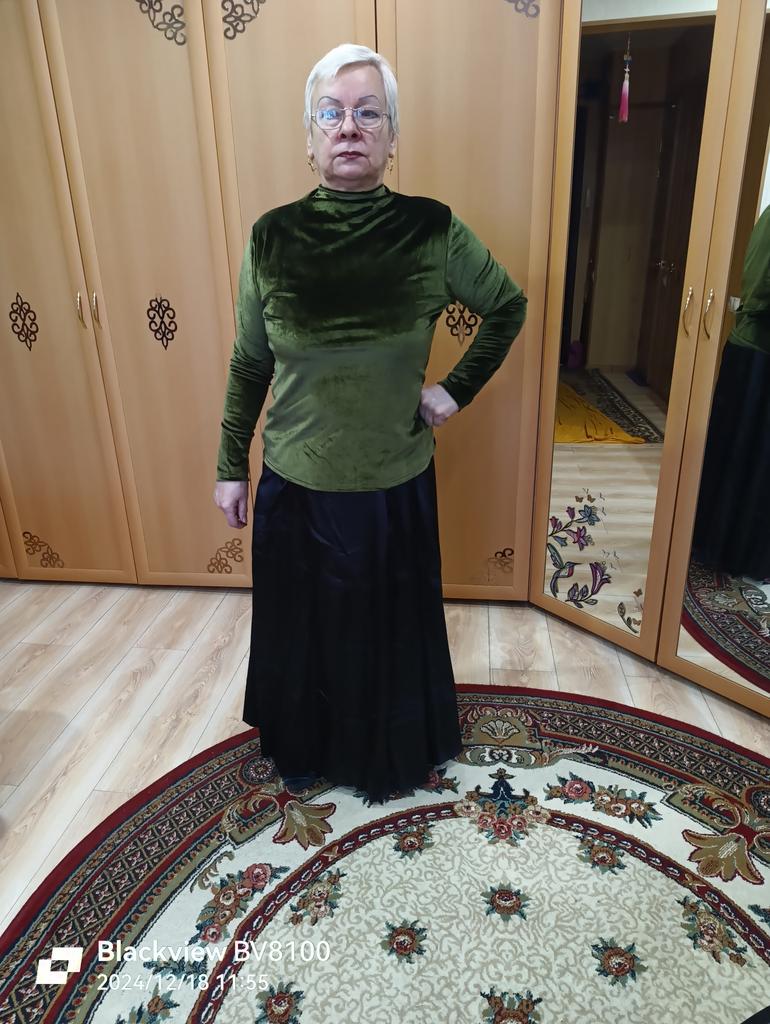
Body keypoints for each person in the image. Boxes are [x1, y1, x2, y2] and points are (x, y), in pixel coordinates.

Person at [213, 43, 527, 803]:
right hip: (296, 481)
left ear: (391, 135)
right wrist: (229, 464)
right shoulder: (271, 237)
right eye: (331, 112)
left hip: (393, 484)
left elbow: (506, 307)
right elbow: (250, 362)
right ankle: (305, 747)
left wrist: (455, 389)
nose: (348, 126)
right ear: (310, 135)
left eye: (367, 112)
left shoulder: (429, 230)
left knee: (384, 629)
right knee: (305, 629)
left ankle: (386, 749)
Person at [690, 204, 770, 581]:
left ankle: (744, 554)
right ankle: (723, 550)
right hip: (756, 355)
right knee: (741, 457)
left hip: (755, 353)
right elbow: (758, 289)